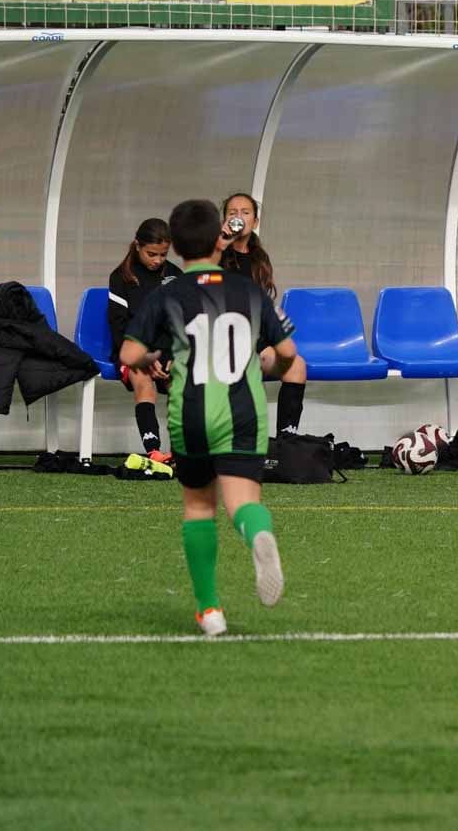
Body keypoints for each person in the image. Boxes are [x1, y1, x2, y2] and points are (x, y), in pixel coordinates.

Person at [119, 199, 300, 637]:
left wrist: (155, 353)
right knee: (243, 503)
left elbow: (128, 354)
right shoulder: (250, 292)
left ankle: (210, 610)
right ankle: (256, 532)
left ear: (177, 247)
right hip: (242, 412)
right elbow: (287, 355)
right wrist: (265, 361)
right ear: (219, 237)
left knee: (199, 505)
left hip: (193, 412)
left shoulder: (168, 294)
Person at [217, 192, 308, 436]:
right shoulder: (216, 252)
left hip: (256, 341)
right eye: (232, 213)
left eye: (245, 213)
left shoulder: (259, 258)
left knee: (296, 365)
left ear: (255, 221)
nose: (239, 218)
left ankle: (286, 441)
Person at [107, 218, 182, 465]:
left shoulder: (175, 275)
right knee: (144, 382)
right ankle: (154, 452)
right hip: (133, 352)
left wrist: (169, 356)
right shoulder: (120, 278)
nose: (158, 260)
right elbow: (120, 328)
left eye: (163, 254)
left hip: (167, 353)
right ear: (137, 245)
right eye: (152, 254)